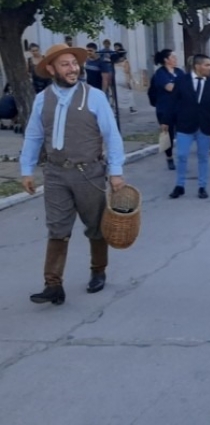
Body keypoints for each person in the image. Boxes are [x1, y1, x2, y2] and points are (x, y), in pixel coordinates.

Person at [20, 43, 126, 305]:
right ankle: (53, 284)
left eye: (74, 63)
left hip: (88, 171)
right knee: (57, 228)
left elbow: (112, 136)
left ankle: (98, 271)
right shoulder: (42, 99)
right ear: (51, 68)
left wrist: (115, 171)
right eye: (65, 64)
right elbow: (33, 136)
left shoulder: (95, 96)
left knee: (95, 227)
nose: (73, 69)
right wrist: (26, 170)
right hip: (55, 173)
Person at [167, 54, 210, 199]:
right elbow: (173, 102)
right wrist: (167, 121)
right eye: (207, 65)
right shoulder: (182, 81)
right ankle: (179, 185)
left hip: (206, 126)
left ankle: (202, 186)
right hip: (185, 125)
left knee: (203, 157)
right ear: (197, 66)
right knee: (182, 155)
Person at [151, 49, 185, 170]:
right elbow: (170, 88)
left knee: (182, 133)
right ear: (166, 60)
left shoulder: (179, 72)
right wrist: (182, 86)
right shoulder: (160, 74)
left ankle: (182, 157)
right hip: (165, 108)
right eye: (173, 57)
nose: (176, 60)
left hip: (180, 107)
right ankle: (169, 157)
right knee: (167, 134)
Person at [111, 47, 136, 113]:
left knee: (118, 94)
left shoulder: (115, 62)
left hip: (117, 78)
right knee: (129, 93)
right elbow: (127, 72)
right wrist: (129, 82)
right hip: (123, 78)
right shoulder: (125, 62)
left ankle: (117, 109)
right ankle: (131, 108)